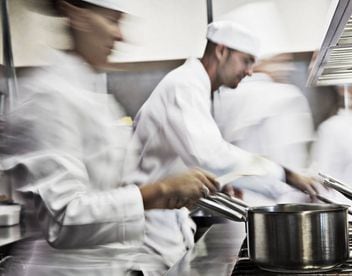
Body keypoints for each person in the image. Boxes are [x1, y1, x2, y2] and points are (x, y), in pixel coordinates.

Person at [0, 0, 219, 275]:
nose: (121, 36)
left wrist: (169, 191)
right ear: (75, 14)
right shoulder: (47, 97)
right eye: (113, 20)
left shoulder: (93, 96)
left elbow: (111, 193)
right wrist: (160, 191)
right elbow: (64, 220)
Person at [130, 20, 319, 266]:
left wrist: (219, 183)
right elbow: (211, 155)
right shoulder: (183, 85)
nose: (251, 71)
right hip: (149, 238)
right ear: (221, 51)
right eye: (247, 60)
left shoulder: (195, 87)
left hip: (166, 231)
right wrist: (285, 174)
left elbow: (192, 158)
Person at [212, 53, 316, 204]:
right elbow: (290, 161)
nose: (288, 68)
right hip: (277, 202)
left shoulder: (228, 96)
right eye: (280, 61)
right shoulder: (284, 95)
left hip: (243, 201)